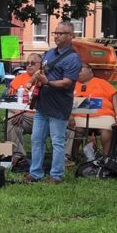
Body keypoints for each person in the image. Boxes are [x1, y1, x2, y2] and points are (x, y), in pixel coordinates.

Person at [24, 21, 81, 184]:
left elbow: (67, 83)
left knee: (57, 141)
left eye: (61, 33)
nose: (56, 36)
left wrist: (47, 82)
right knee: (36, 139)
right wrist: (33, 80)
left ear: (71, 36)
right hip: (43, 104)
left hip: (59, 105)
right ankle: (35, 173)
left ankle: (56, 175)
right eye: (55, 33)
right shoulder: (48, 54)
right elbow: (41, 72)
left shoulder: (73, 58)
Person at [68, 63, 117, 159]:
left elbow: (115, 98)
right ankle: (73, 157)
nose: (78, 71)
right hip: (79, 117)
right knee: (76, 130)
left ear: (90, 69)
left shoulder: (102, 83)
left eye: (80, 68)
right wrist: (70, 114)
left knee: (107, 130)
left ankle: (106, 158)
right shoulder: (72, 85)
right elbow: (66, 102)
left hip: (103, 115)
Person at [5, 53, 42, 165]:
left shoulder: (46, 79)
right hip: (24, 117)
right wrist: (18, 112)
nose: (29, 65)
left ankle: (66, 158)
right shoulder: (19, 78)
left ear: (40, 65)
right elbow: (8, 99)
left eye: (33, 63)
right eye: (27, 63)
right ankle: (19, 155)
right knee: (11, 119)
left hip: (43, 117)